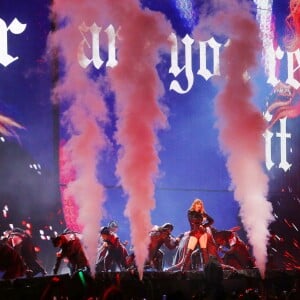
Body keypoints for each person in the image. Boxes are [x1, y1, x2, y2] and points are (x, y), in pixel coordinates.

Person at [181, 198, 214, 271]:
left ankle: (207, 270)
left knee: (204, 251)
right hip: (194, 233)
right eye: (198, 204)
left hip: (202, 233)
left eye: (200, 204)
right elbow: (192, 221)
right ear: (194, 205)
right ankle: (183, 270)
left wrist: (204, 226)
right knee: (189, 251)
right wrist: (199, 221)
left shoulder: (202, 213)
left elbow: (212, 221)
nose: (199, 205)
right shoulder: (190, 212)